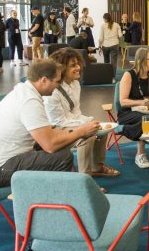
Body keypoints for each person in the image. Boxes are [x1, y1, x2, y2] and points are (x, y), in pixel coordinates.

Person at [0, 59, 101, 189]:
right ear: (43, 80)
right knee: (62, 157)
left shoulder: (24, 91)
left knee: (59, 148)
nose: (58, 86)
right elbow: (50, 145)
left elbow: (48, 136)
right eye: (57, 81)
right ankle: (65, 197)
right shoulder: (29, 101)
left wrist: (74, 132)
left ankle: (77, 189)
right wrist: (80, 132)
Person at [45, 48, 119, 177]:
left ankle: (97, 166)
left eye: (78, 63)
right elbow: (57, 121)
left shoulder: (75, 84)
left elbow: (76, 111)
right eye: (73, 65)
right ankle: (84, 178)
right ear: (61, 68)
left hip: (68, 123)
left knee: (100, 127)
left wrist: (89, 122)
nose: (78, 67)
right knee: (88, 135)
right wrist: (84, 126)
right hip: (53, 129)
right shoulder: (53, 91)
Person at [116, 48, 149, 168]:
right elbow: (123, 102)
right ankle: (140, 154)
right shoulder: (129, 75)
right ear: (142, 61)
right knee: (145, 119)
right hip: (128, 112)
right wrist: (141, 103)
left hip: (148, 109)